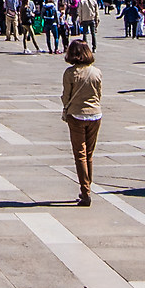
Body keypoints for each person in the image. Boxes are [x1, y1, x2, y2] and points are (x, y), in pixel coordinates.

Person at [60, 39, 102, 206]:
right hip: (95, 115)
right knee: (89, 155)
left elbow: (66, 96)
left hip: (76, 115)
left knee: (80, 155)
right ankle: (87, 188)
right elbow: (99, 94)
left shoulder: (70, 73)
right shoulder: (97, 72)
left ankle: (85, 192)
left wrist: (67, 107)